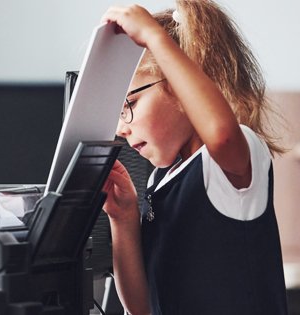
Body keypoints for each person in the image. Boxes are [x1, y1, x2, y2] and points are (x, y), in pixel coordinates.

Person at [99, 1, 288, 314]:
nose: (121, 129)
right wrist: (123, 219)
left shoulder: (235, 157)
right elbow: (141, 308)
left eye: (128, 104)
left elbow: (221, 134)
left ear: (179, 86)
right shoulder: (160, 180)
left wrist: (154, 37)